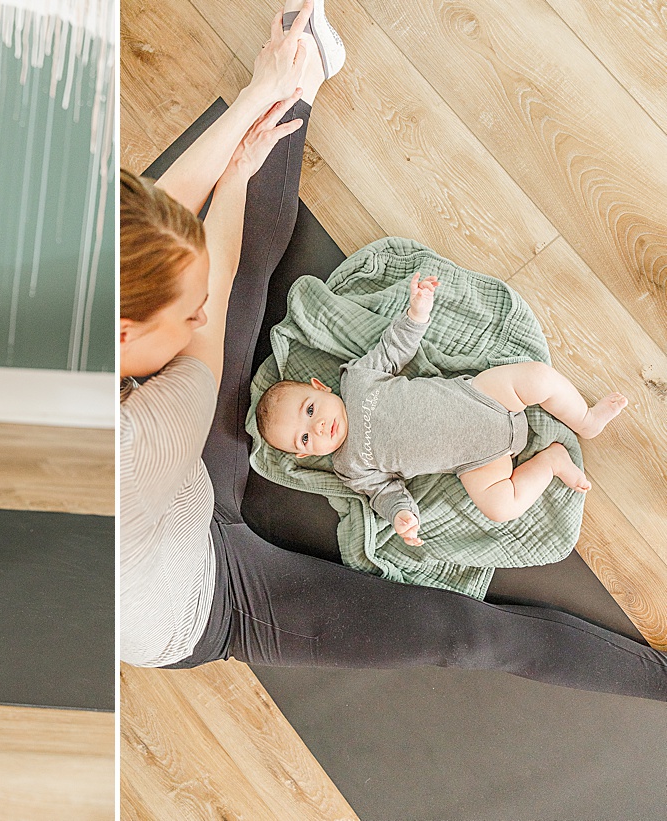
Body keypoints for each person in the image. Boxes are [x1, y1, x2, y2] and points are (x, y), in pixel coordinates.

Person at [120, 0, 667, 700]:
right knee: (465, 638)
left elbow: (149, 225)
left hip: (170, 489)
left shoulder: (87, 315)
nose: (201, 319)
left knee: (206, 260)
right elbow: (218, 276)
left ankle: (305, 65)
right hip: (206, 601)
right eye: (186, 316)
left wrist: (264, 95)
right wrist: (232, 181)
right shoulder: (146, 432)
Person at [255, 272, 628, 545]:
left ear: (320, 388)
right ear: (305, 453)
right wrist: (402, 515)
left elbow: (394, 349)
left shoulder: (357, 380)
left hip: (480, 397)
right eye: (304, 437)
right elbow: (386, 493)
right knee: (499, 507)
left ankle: (585, 419)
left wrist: (416, 313)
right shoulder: (349, 467)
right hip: (475, 462)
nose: (318, 427)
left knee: (538, 378)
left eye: (309, 410)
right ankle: (551, 462)